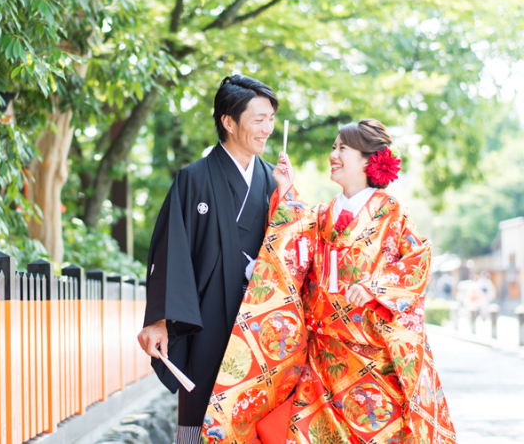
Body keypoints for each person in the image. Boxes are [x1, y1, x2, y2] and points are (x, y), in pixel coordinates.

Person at [203, 119, 457, 444]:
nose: (333, 154)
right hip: (324, 357)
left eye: (343, 148)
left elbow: (417, 261)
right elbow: (292, 244)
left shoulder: (392, 214)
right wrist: (285, 189)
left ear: (368, 159)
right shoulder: (321, 215)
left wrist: (374, 288)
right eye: (333, 147)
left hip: (373, 358)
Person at [138, 75, 279, 442]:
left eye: (271, 119)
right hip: (207, 318)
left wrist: (292, 198)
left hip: (259, 323)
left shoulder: (275, 182)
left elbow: (295, 248)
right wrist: (160, 320)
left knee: (258, 415)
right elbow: (171, 252)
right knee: (201, 413)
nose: (267, 129)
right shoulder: (193, 179)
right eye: (258, 119)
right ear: (228, 122)